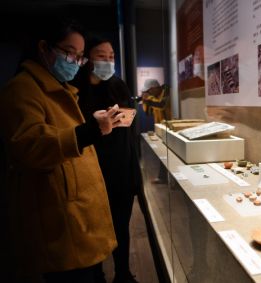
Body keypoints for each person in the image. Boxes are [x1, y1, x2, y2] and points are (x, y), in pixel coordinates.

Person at [0, 17, 120, 283]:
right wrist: (89, 131)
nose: (74, 62)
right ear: (44, 47)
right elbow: (29, 146)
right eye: (69, 53)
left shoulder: (60, 89)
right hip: (57, 218)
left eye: (78, 57)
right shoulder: (22, 90)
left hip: (75, 211)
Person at [72, 36, 143, 283]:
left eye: (111, 56)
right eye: (102, 56)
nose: (108, 61)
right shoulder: (75, 88)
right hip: (92, 171)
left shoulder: (118, 85)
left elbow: (128, 128)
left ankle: (123, 274)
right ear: (87, 59)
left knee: (121, 228)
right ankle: (97, 275)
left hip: (122, 168)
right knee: (94, 230)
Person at [140, 79, 171, 184]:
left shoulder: (166, 91)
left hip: (170, 128)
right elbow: (148, 113)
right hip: (160, 128)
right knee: (163, 154)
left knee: (170, 155)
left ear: (153, 88)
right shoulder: (154, 97)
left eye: (148, 91)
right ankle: (163, 178)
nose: (148, 93)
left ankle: (169, 180)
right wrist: (145, 101)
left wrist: (148, 98)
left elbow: (162, 105)